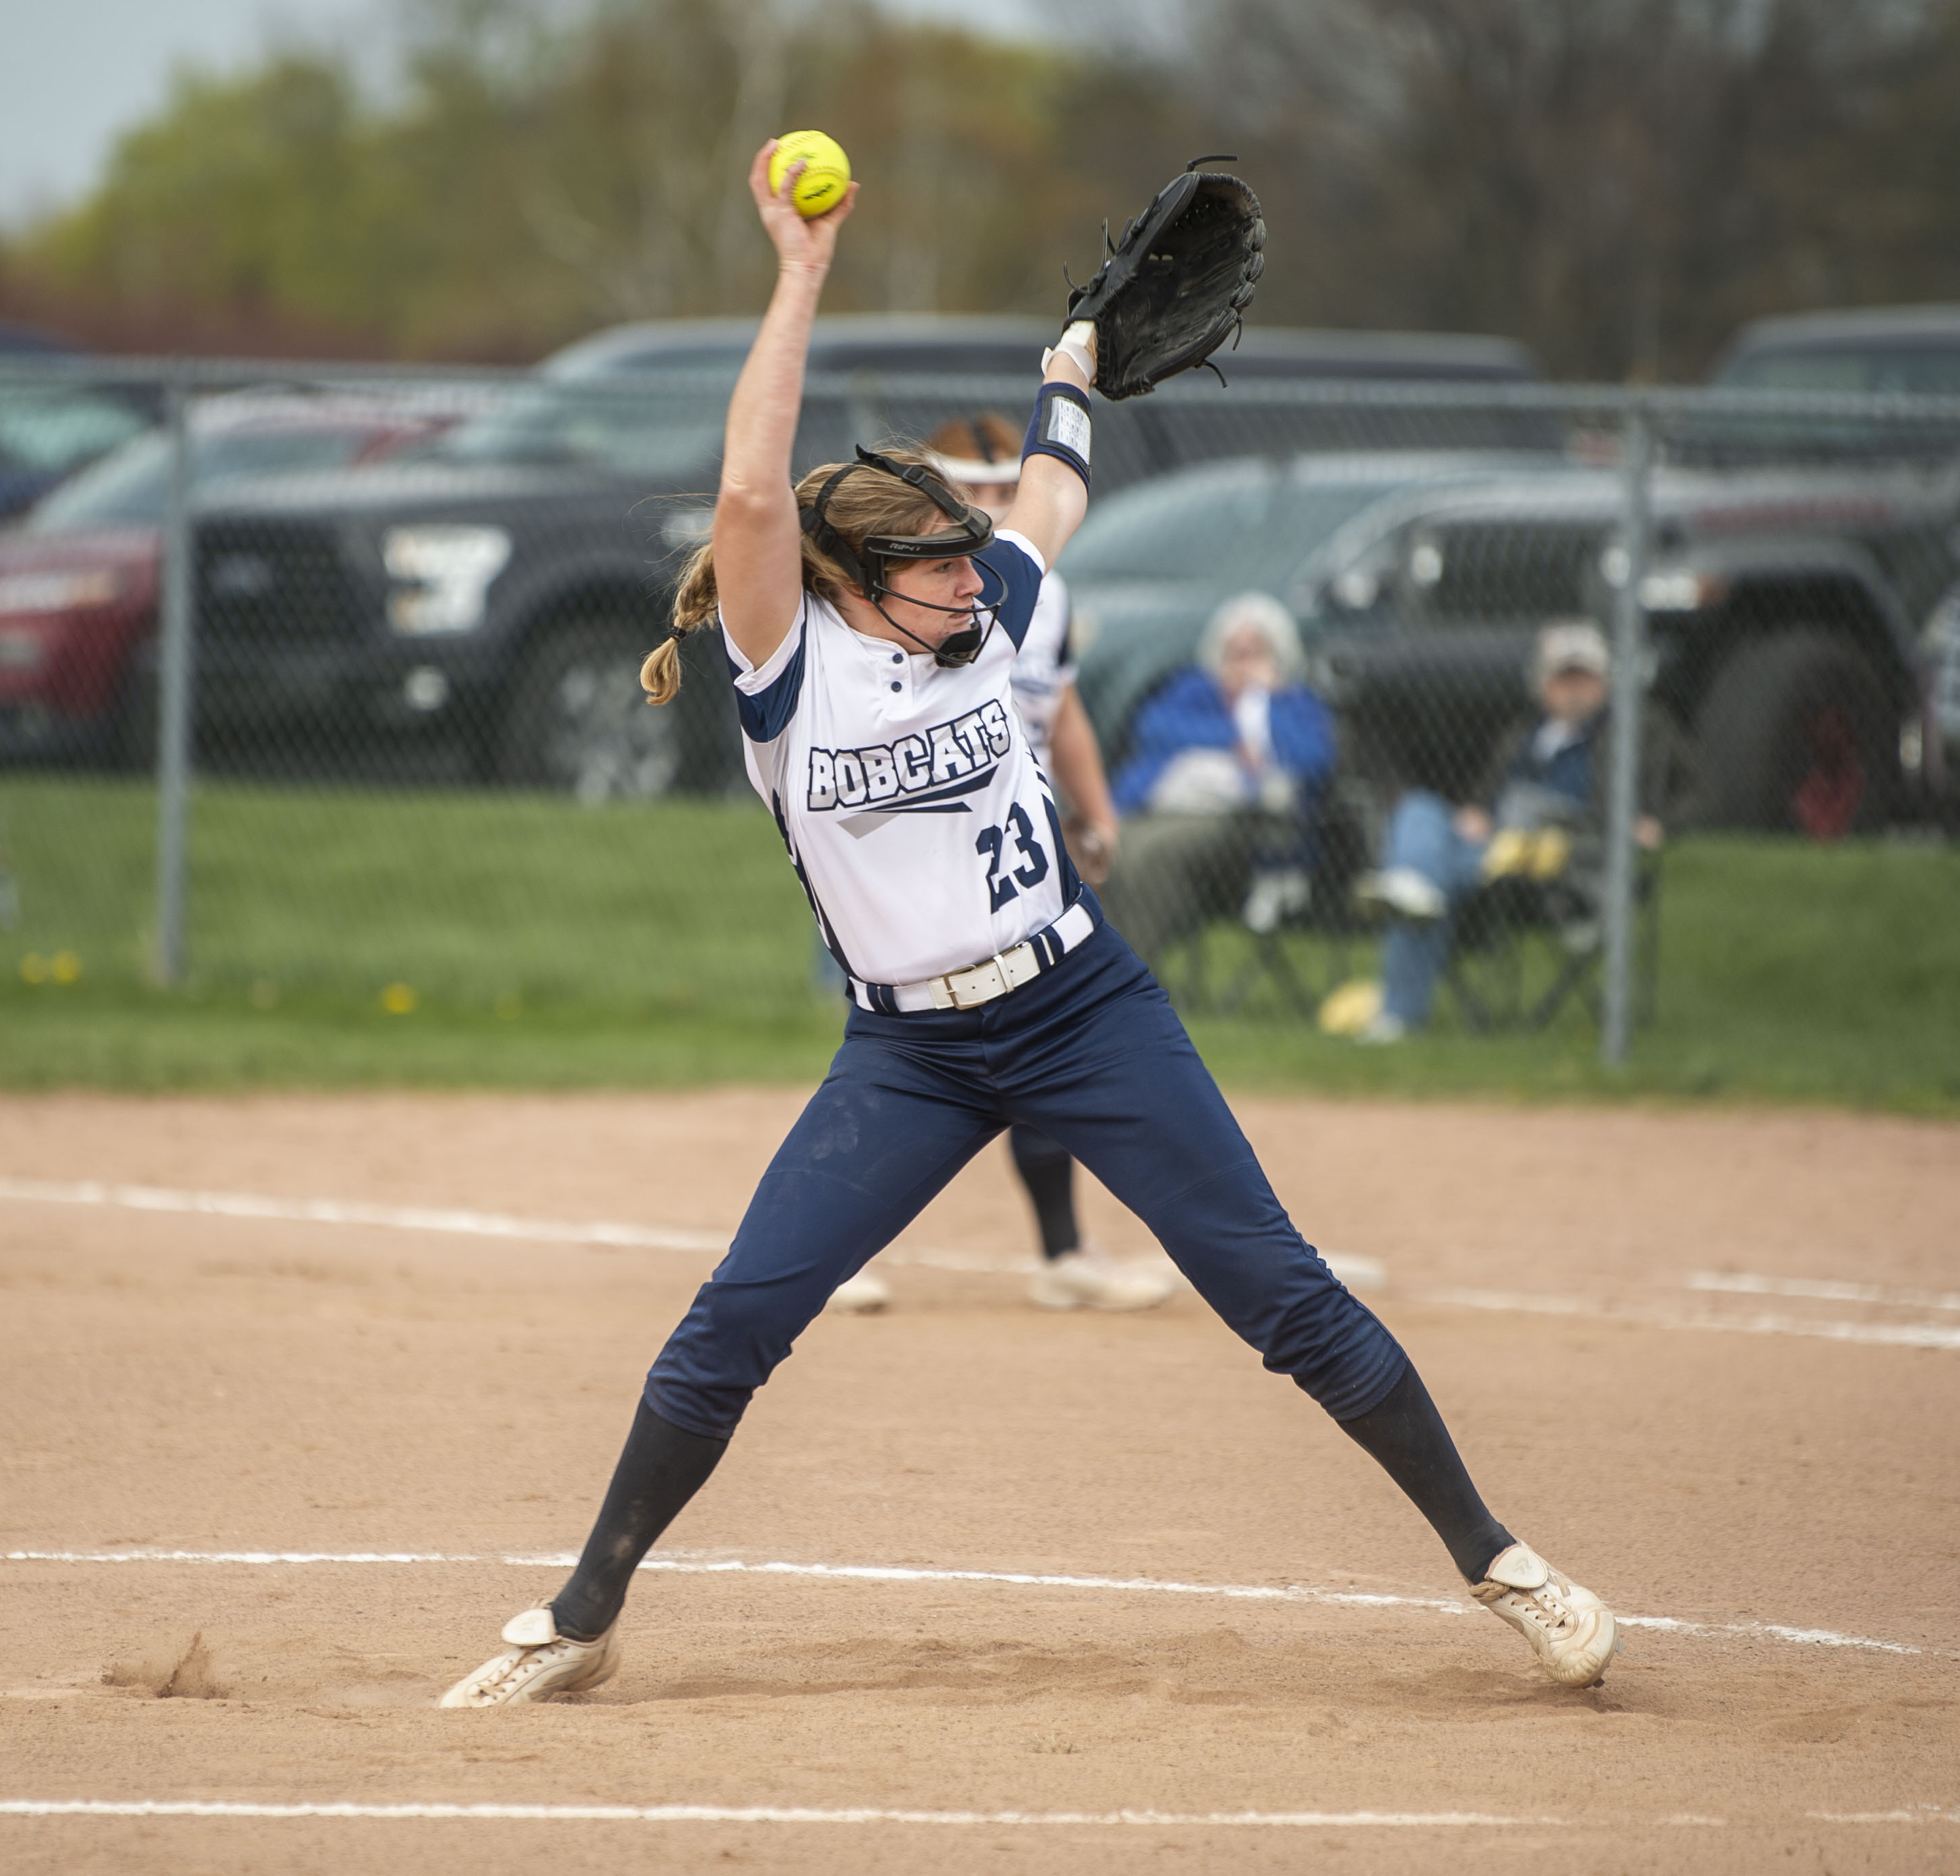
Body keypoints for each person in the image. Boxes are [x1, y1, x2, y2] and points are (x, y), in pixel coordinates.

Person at [438, 143, 1616, 1708]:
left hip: (1081, 1008)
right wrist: (799, 275)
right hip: (907, 1054)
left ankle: (1498, 1560)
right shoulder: (792, 674)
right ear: (847, 583)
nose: (965, 573)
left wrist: (1069, 368)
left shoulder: (985, 598)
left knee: (1279, 1292)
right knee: (736, 1316)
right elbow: (744, 493)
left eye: (959, 550)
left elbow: (1053, 487)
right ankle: (582, 1611)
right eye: (928, 561)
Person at [912, 411, 1168, 1314]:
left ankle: (1064, 1252)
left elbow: (1056, 711)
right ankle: (816, 1246)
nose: (986, 507)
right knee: (902, 1053)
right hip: (916, 849)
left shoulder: (1037, 590)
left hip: (1012, 846)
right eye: (967, 490)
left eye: (997, 491)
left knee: (1039, 1031)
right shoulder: (908, 588)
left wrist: (1092, 814)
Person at [1355, 620, 1688, 1042]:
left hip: (1561, 848)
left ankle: (1400, 1005)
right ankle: (1414, 888)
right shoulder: (1524, 735)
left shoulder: (1637, 729)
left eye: (1582, 678)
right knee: (1419, 810)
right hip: (1496, 845)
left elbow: (1698, 790)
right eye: (1562, 678)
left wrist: (1657, 823)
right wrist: (1476, 813)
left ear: (1604, 682)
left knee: (1434, 878)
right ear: (1542, 685)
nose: (1572, 689)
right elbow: (1487, 796)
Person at [1101, 593, 1335, 962]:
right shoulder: (1197, 689)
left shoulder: (1293, 701)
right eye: (1234, 652)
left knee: (1153, 856)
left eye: (1254, 652)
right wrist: (1235, 738)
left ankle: (1133, 970)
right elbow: (1152, 727)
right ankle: (1103, 965)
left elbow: (1313, 760)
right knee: (1113, 848)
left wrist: (1265, 700)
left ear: (1277, 656)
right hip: (1161, 805)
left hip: (1244, 821)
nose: (1242, 664)